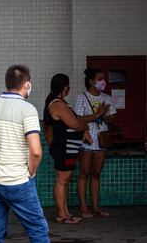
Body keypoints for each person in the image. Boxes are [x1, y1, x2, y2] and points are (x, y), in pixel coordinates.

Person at [0, 65, 49, 243]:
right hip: (18, 181)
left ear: (7, 82)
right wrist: (31, 172)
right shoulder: (27, 110)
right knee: (37, 229)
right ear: (26, 84)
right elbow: (35, 151)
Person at [43, 74, 102, 224]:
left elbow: (76, 120)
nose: (69, 89)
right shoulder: (57, 104)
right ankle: (62, 214)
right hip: (64, 148)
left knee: (65, 180)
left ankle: (66, 212)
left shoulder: (61, 102)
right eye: (68, 86)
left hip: (67, 148)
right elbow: (75, 124)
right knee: (62, 180)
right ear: (64, 87)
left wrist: (86, 123)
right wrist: (84, 127)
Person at [75, 68, 116, 218]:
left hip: (101, 140)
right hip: (88, 140)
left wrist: (105, 116)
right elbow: (78, 118)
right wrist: (97, 114)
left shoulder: (107, 97)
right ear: (92, 81)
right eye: (100, 79)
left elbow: (112, 119)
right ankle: (83, 207)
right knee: (84, 173)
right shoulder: (82, 97)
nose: (103, 82)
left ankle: (96, 207)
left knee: (96, 174)